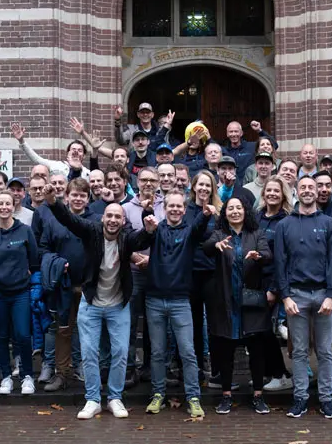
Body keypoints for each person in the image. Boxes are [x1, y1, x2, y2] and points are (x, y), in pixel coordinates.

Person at [42, 186, 158, 419]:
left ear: (123, 221)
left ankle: (115, 398)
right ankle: (93, 399)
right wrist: (52, 200)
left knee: (120, 352)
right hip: (91, 303)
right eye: (109, 216)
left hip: (118, 305)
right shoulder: (91, 231)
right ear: (103, 218)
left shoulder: (126, 238)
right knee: (89, 353)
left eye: (117, 217)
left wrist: (148, 226)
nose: (113, 220)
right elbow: (68, 219)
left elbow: (141, 239)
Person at [275, 175, 332, 420]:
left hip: (324, 294)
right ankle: (300, 398)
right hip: (296, 295)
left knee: (325, 350)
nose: (307, 191)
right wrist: (285, 297)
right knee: (299, 351)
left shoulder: (330, 224)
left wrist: (331, 295)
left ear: (318, 191)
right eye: (303, 187)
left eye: (311, 187)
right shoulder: (284, 225)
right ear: (296, 191)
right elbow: (280, 262)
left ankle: (326, 399)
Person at [144, 190, 214, 417]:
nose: (175, 209)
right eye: (171, 206)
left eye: (179, 206)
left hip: (180, 301)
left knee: (188, 352)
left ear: (184, 209)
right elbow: (144, 235)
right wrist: (147, 215)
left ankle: (193, 397)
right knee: (157, 353)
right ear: (164, 208)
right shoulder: (156, 229)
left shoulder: (190, 232)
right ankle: (158, 394)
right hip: (154, 299)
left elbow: (200, 229)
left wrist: (205, 215)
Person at [203, 197, 273, 414]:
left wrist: (258, 256)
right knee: (225, 350)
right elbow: (206, 247)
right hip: (226, 301)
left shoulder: (257, 233)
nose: (234, 211)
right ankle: (226, 396)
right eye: (230, 208)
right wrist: (216, 245)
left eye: (238, 208)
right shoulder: (219, 234)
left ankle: (258, 395)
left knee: (256, 349)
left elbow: (268, 255)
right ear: (225, 213)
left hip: (251, 301)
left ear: (245, 211)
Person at [0, 189, 40, 396]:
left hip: (20, 292)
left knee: (23, 335)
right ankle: (6, 377)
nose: (4, 207)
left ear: (14, 206)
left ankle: (27, 376)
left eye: (7, 204)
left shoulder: (25, 231)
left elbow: (34, 261)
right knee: (1, 336)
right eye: (0, 204)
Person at [39, 177, 94, 391]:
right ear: (67, 197)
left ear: (88, 199)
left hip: (89, 286)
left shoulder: (96, 221)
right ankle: (61, 373)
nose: (78, 199)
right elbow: (43, 250)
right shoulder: (54, 221)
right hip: (63, 287)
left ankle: (88, 371)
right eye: (74, 195)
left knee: (89, 331)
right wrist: (55, 265)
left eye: (83, 195)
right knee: (63, 330)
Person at [123, 166, 165, 384]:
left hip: (158, 273)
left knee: (154, 324)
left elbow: (168, 239)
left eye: (152, 180)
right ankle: (129, 368)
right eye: (144, 180)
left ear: (158, 183)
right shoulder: (126, 208)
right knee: (129, 323)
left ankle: (150, 367)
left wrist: (153, 260)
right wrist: (134, 257)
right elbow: (122, 239)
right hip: (133, 274)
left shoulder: (166, 206)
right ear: (137, 182)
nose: (148, 184)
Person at [258, 177, 295, 392]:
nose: (272, 194)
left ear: (283, 195)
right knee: (257, 330)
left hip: (274, 282)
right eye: (269, 190)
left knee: (266, 330)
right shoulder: (257, 217)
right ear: (263, 193)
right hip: (254, 281)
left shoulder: (286, 221)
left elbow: (284, 258)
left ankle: (282, 374)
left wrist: (274, 289)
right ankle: (267, 372)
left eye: (276, 191)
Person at [186, 170, 222, 384]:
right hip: (191, 273)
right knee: (194, 324)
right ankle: (197, 369)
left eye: (208, 185)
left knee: (215, 324)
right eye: (200, 184)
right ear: (194, 187)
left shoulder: (219, 211)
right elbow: (191, 234)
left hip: (213, 273)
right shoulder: (187, 209)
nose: (204, 189)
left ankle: (218, 371)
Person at [10, 122, 90, 180]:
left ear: (84, 155)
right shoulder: (57, 165)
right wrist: (21, 141)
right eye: (73, 149)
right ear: (68, 153)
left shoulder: (88, 174)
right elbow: (36, 159)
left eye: (79, 150)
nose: (76, 152)